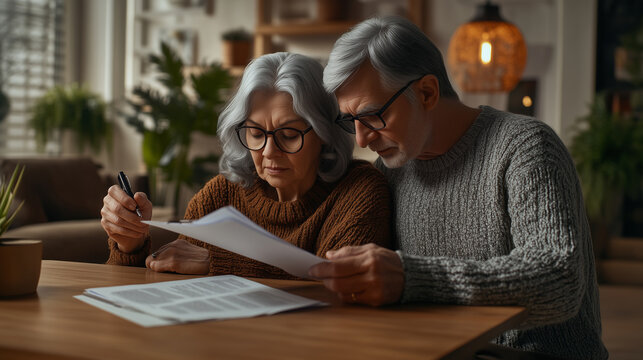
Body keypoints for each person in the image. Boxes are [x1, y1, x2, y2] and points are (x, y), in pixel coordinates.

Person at [308, 16, 608, 359]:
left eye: (373, 115)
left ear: (427, 93)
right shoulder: (389, 172)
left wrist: (411, 278)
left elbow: (559, 281)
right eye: (351, 121)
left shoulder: (526, 146)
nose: (362, 137)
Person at [101, 52, 391, 279]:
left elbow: (342, 285)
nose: (268, 151)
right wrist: (131, 245)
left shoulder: (360, 192)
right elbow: (169, 276)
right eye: (255, 133)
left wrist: (219, 263)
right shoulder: (221, 194)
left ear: (325, 134)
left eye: (289, 135)